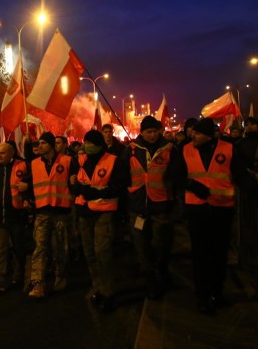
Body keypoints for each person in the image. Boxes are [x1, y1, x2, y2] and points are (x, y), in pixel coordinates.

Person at [177, 118, 246, 314]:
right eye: (193, 133)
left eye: (197, 133)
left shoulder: (229, 148)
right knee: (200, 255)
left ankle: (217, 293)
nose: (193, 136)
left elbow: (240, 174)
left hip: (222, 210)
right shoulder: (185, 149)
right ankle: (202, 296)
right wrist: (191, 185)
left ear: (209, 136)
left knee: (219, 254)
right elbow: (175, 175)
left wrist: (253, 192)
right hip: (196, 211)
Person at [121, 116, 179, 300]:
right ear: (142, 132)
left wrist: (174, 202)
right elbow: (122, 176)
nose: (152, 135)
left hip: (161, 206)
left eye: (155, 131)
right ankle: (151, 281)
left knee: (161, 244)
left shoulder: (170, 149)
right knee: (142, 246)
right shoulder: (130, 151)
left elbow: (176, 176)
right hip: (138, 206)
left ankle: (162, 270)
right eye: (148, 132)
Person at [75, 130, 129, 312]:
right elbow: (76, 182)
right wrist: (76, 187)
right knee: (89, 253)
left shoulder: (114, 161)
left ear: (99, 144)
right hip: (84, 211)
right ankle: (97, 285)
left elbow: (120, 187)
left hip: (104, 212)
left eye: (91, 142)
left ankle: (108, 292)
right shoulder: (82, 161)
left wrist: (98, 193)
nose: (87, 145)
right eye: (86, 142)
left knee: (102, 253)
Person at [25, 132, 79, 298]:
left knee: (61, 248)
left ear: (51, 145)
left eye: (42, 143)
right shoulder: (33, 164)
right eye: (38, 143)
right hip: (42, 212)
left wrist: (74, 182)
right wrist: (26, 196)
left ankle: (61, 276)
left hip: (61, 212)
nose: (39, 146)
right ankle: (38, 284)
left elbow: (76, 184)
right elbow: (29, 183)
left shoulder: (68, 161)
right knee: (40, 248)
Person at [0, 142, 29, 292]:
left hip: (16, 215)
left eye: (3, 153)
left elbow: (32, 183)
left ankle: (19, 275)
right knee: (1, 248)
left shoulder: (22, 166)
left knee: (19, 247)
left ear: (12, 153)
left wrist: (27, 188)